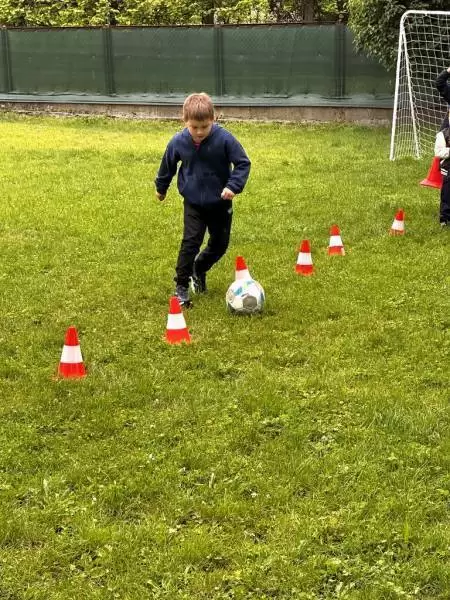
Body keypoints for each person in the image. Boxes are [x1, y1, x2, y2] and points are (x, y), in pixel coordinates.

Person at [155, 92, 251, 306]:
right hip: (194, 203)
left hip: (220, 202)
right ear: (185, 121)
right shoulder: (178, 141)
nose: (199, 132)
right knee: (191, 242)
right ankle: (181, 286)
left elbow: (243, 163)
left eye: (204, 127)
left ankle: (199, 268)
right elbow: (168, 165)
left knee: (220, 244)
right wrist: (161, 188)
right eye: (194, 127)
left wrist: (232, 186)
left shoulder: (224, 139)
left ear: (213, 120)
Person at [434, 119, 450, 226]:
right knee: (447, 191)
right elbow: (438, 152)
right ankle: (445, 216)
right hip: (448, 167)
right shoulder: (443, 134)